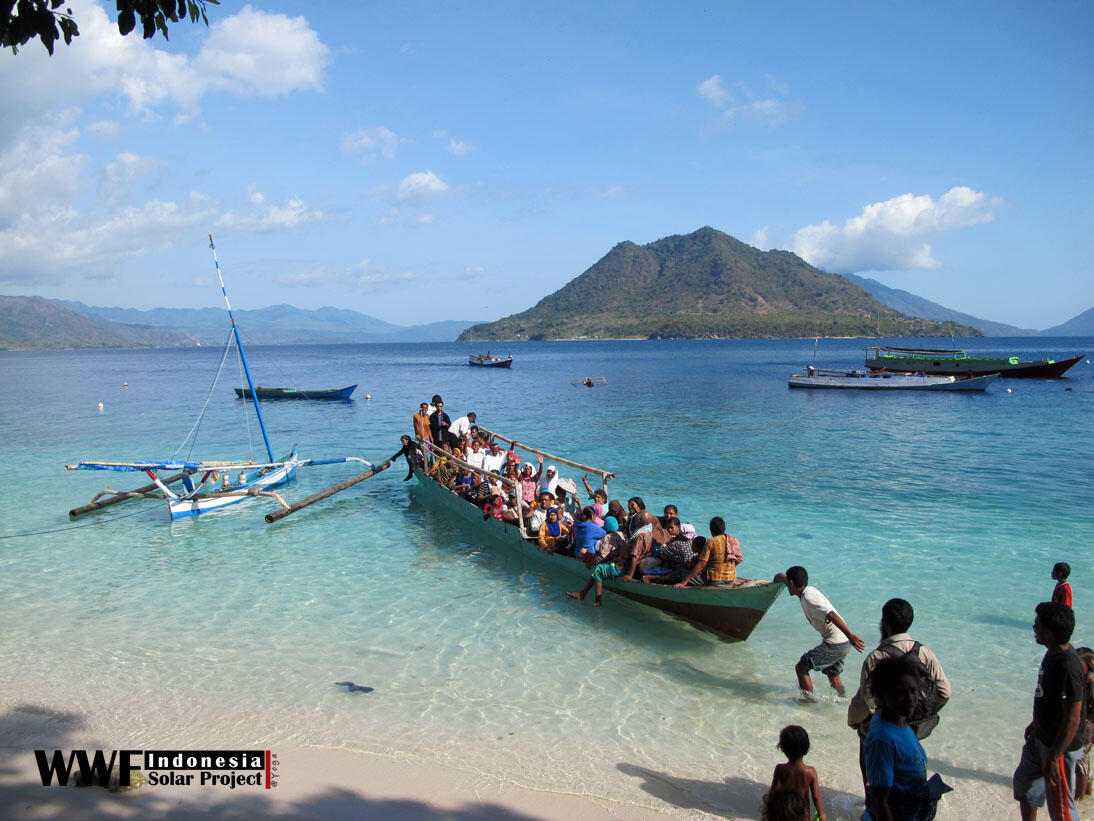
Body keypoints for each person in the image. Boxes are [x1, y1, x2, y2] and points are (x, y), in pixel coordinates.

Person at [848, 598, 951, 796]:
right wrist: (918, 711)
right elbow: (945, 692)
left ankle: (873, 802)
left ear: (885, 623)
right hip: (912, 726)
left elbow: (867, 704)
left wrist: (852, 721)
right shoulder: (925, 653)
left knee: (868, 750)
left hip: (881, 729)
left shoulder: (876, 658)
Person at [1013, 601, 1086, 821]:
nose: (1034, 628)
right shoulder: (1052, 653)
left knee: (1062, 810)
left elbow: (1073, 719)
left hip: (1059, 747)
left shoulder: (1069, 666)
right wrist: (1036, 723)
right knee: (1025, 787)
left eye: (1037, 624)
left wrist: (1054, 756)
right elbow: (1049, 697)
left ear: (1050, 633)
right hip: (1040, 739)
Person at [864, 654, 950, 821]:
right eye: (901, 693)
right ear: (881, 695)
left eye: (913, 691)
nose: (910, 699)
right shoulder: (882, 739)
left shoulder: (900, 720)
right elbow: (879, 801)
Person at [773, 566, 865, 699]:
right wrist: (777, 579)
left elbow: (831, 614)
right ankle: (844, 700)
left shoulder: (809, 598)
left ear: (792, 583)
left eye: (788, 583)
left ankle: (808, 702)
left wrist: (850, 635)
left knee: (801, 668)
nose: (787, 586)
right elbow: (782, 577)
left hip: (836, 643)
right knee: (833, 675)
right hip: (842, 642)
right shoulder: (807, 590)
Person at [765, 724, 825, 821]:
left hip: (783, 814)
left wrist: (768, 813)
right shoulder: (810, 772)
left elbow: (773, 792)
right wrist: (821, 813)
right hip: (802, 815)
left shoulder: (780, 769)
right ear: (806, 747)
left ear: (783, 749)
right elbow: (816, 797)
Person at [673, 516, 742, 587]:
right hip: (731, 578)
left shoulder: (711, 542)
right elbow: (739, 560)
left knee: (683, 573)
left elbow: (701, 564)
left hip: (715, 580)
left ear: (711, 530)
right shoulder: (734, 540)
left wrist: (685, 581)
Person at [1075, 646, 1094, 799]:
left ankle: (1079, 799)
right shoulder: (1086, 682)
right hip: (1089, 728)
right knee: (1085, 761)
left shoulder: (1088, 685)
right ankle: (1087, 793)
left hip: (1085, 728)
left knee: (1080, 763)